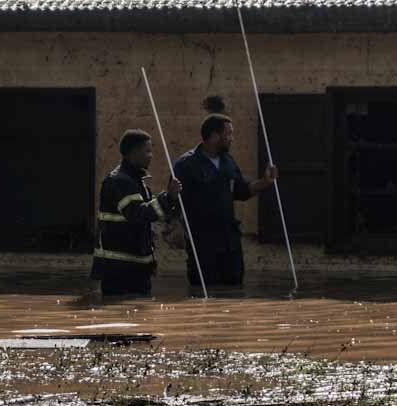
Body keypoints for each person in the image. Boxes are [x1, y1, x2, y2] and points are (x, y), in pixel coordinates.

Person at [173, 108, 277, 289]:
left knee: (234, 292)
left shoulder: (228, 161)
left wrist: (265, 182)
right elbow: (174, 199)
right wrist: (176, 226)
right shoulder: (187, 164)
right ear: (214, 136)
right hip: (203, 244)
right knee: (202, 294)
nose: (232, 138)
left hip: (230, 244)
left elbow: (241, 190)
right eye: (229, 134)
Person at [91, 130, 180, 297]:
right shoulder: (119, 181)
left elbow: (149, 210)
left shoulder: (135, 180)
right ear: (133, 153)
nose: (151, 156)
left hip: (136, 268)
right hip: (119, 270)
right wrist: (167, 197)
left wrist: (171, 204)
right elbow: (138, 214)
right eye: (147, 151)